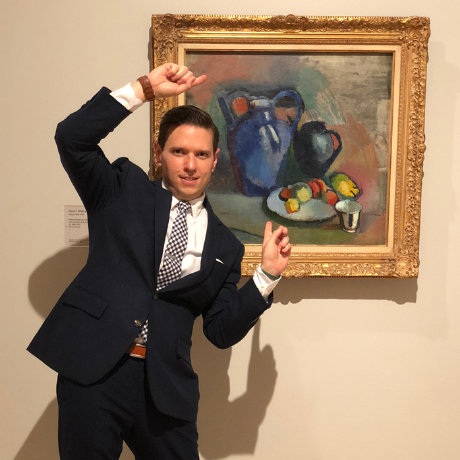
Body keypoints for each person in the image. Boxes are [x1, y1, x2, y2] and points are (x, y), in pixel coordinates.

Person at [28, 63, 291, 460]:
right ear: (159, 153)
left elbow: (220, 332)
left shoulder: (225, 245)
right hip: (94, 372)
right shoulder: (121, 190)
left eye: (201, 154)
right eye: (179, 152)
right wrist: (144, 88)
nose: (190, 165)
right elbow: (72, 138)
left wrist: (266, 276)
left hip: (165, 389)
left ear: (215, 160)